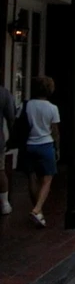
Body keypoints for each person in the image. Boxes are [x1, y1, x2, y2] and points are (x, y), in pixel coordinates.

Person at [24, 76, 60, 227]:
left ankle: (38, 212)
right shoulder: (52, 108)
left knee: (32, 177)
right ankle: (37, 208)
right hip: (45, 144)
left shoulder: (27, 106)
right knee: (47, 179)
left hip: (30, 144)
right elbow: (55, 131)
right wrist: (57, 147)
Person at [0, 83, 15, 215]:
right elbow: (11, 118)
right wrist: (12, 138)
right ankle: (4, 203)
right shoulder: (4, 93)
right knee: (0, 170)